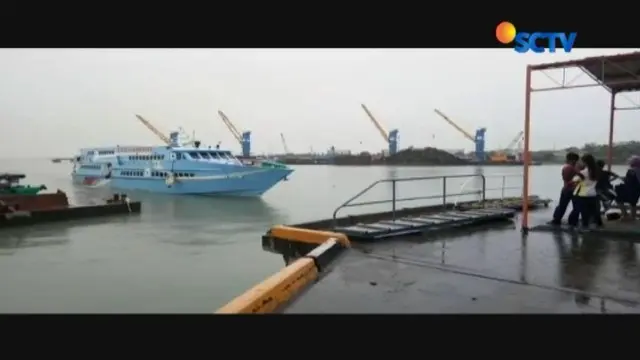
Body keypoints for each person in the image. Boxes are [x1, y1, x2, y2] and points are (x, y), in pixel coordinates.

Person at [568, 154, 601, 229]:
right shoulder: (597, 171)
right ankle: (593, 226)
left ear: (585, 162)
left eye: (581, 161)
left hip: (583, 194)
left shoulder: (583, 172)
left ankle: (584, 227)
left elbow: (572, 182)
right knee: (592, 212)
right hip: (593, 194)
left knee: (584, 213)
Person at [550, 152, 580, 225]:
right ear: (572, 160)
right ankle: (558, 219)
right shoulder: (569, 167)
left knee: (572, 206)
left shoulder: (572, 167)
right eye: (575, 160)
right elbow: (566, 178)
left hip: (571, 189)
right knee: (564, 205)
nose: (576, 161)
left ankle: (561, 219)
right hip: (569, 189)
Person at [615, 155, 640, 220]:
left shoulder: (631, 170)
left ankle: (625, 215)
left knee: (618, 199)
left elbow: (628, 181)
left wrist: (620, 178)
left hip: (630, 190)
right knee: (633, 203)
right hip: (637, 190)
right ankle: (633, 217)